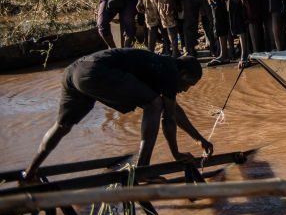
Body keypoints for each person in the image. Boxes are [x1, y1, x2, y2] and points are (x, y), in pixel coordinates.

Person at [21, 49, 211, 182]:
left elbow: (174, 110)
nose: (185, 90)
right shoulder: (170, 72)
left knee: (62, 126)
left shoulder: (162, 65)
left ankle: (30, 173)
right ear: (183, 73)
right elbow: (168, 118)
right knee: (154, 103)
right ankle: (143, 169)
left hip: (74, 72)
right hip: (96, 71)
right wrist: (176, 154)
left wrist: (199, 139)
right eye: (188, 84)